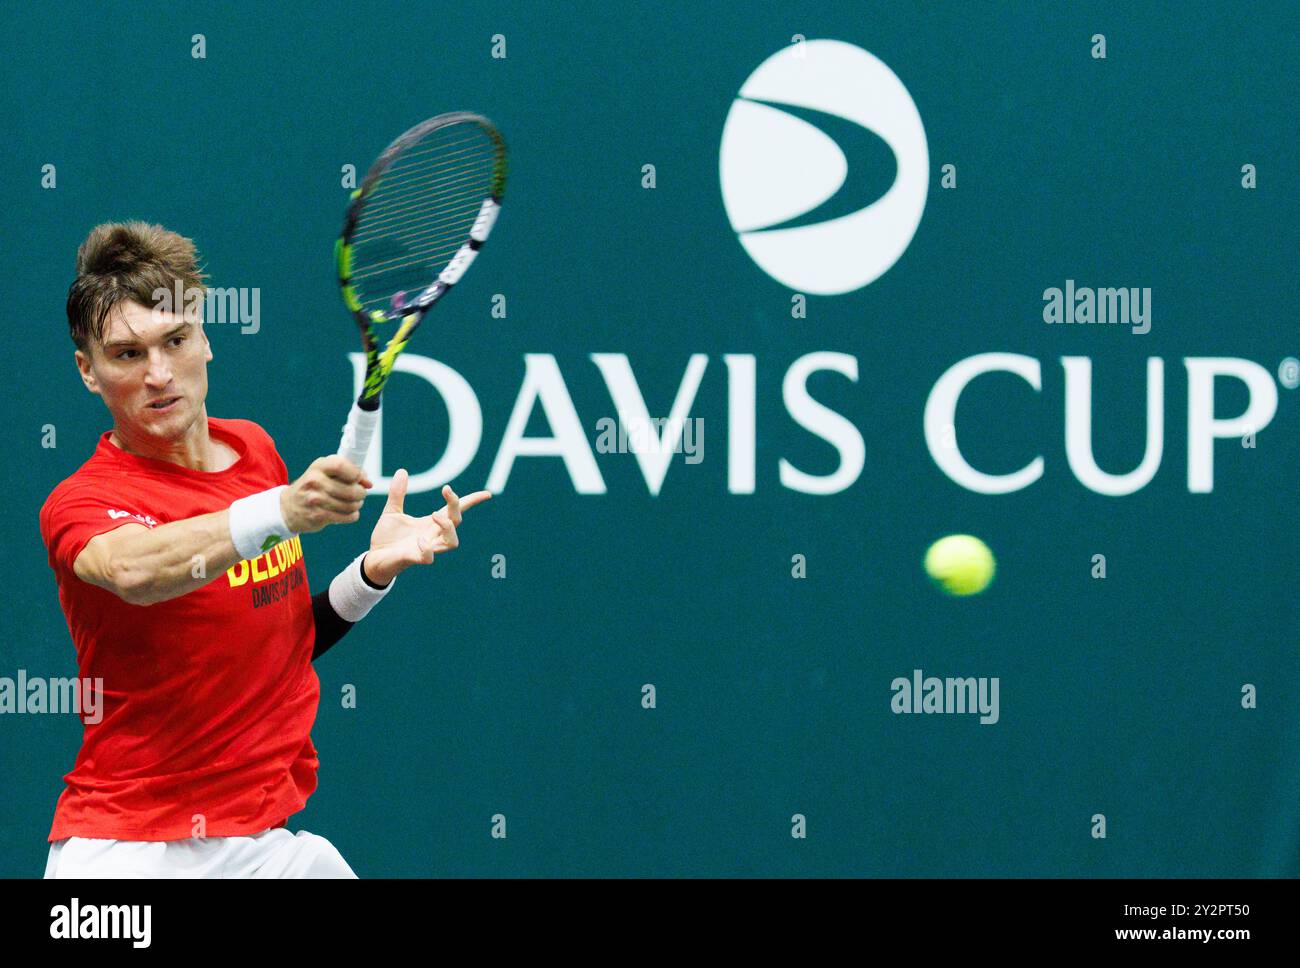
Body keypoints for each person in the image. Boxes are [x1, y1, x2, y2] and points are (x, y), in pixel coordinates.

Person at [39, 221, 489, 877]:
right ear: (89, 371)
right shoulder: (80, 502)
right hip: (128, 855)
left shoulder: (253, 450)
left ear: (205, 338)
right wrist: (279, 509)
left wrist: (369, 574)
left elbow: (274, 641)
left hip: (260, 849)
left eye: (175, 340)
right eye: (128, 355)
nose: (159, 374)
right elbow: (135, 569)